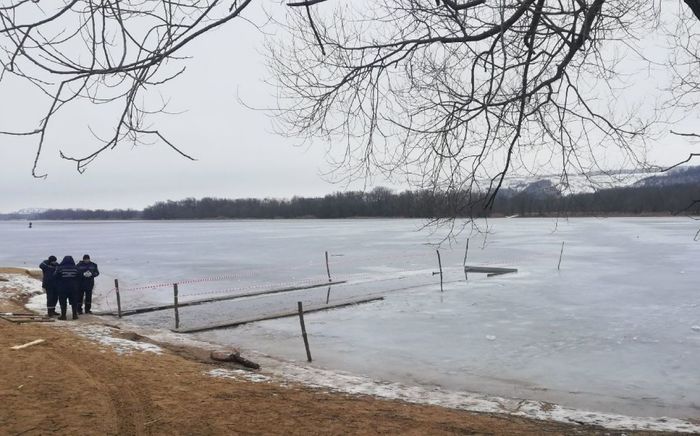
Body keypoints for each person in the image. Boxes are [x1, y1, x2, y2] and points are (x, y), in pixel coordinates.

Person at [54, 256, 81, 320]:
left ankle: (63, 316)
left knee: (63, 302)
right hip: (73, 288)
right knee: (74, 302)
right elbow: (80, 277)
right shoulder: (76, 268)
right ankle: (74, 315)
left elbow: (55, 276)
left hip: (62, 288)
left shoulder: (60, 268)